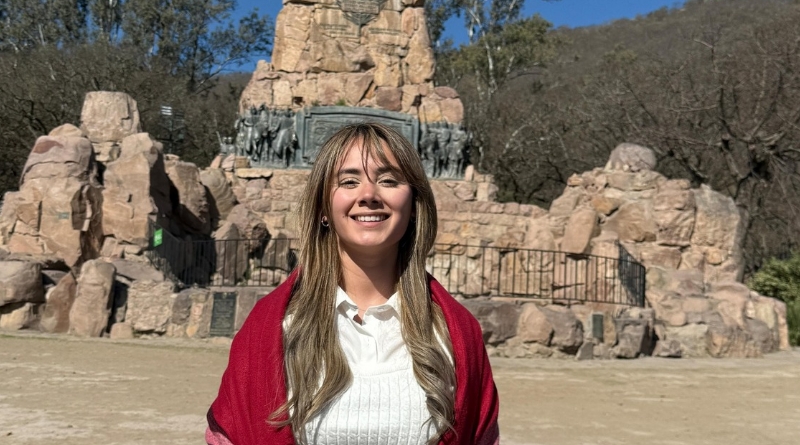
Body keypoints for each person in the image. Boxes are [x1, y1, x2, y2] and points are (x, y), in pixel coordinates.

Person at [206, 123, 499, 445]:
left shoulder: (457, 335)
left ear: (414, 205)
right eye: (349, 181)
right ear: (323, 209)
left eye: (388, 180)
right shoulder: (269, 329)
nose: (369, 195)